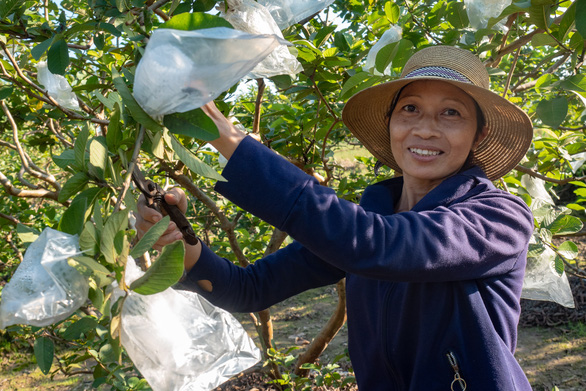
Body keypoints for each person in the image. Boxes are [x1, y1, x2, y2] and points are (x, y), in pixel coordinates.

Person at [136, 45, 535, 390]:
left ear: (478, 136)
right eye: (410, 109)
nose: (426, 129)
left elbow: (378, 244)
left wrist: (228, 138)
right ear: (391, 123)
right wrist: (181, 242)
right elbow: (249, 289)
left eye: (451, 113)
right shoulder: (370, 218)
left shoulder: (499, 218)